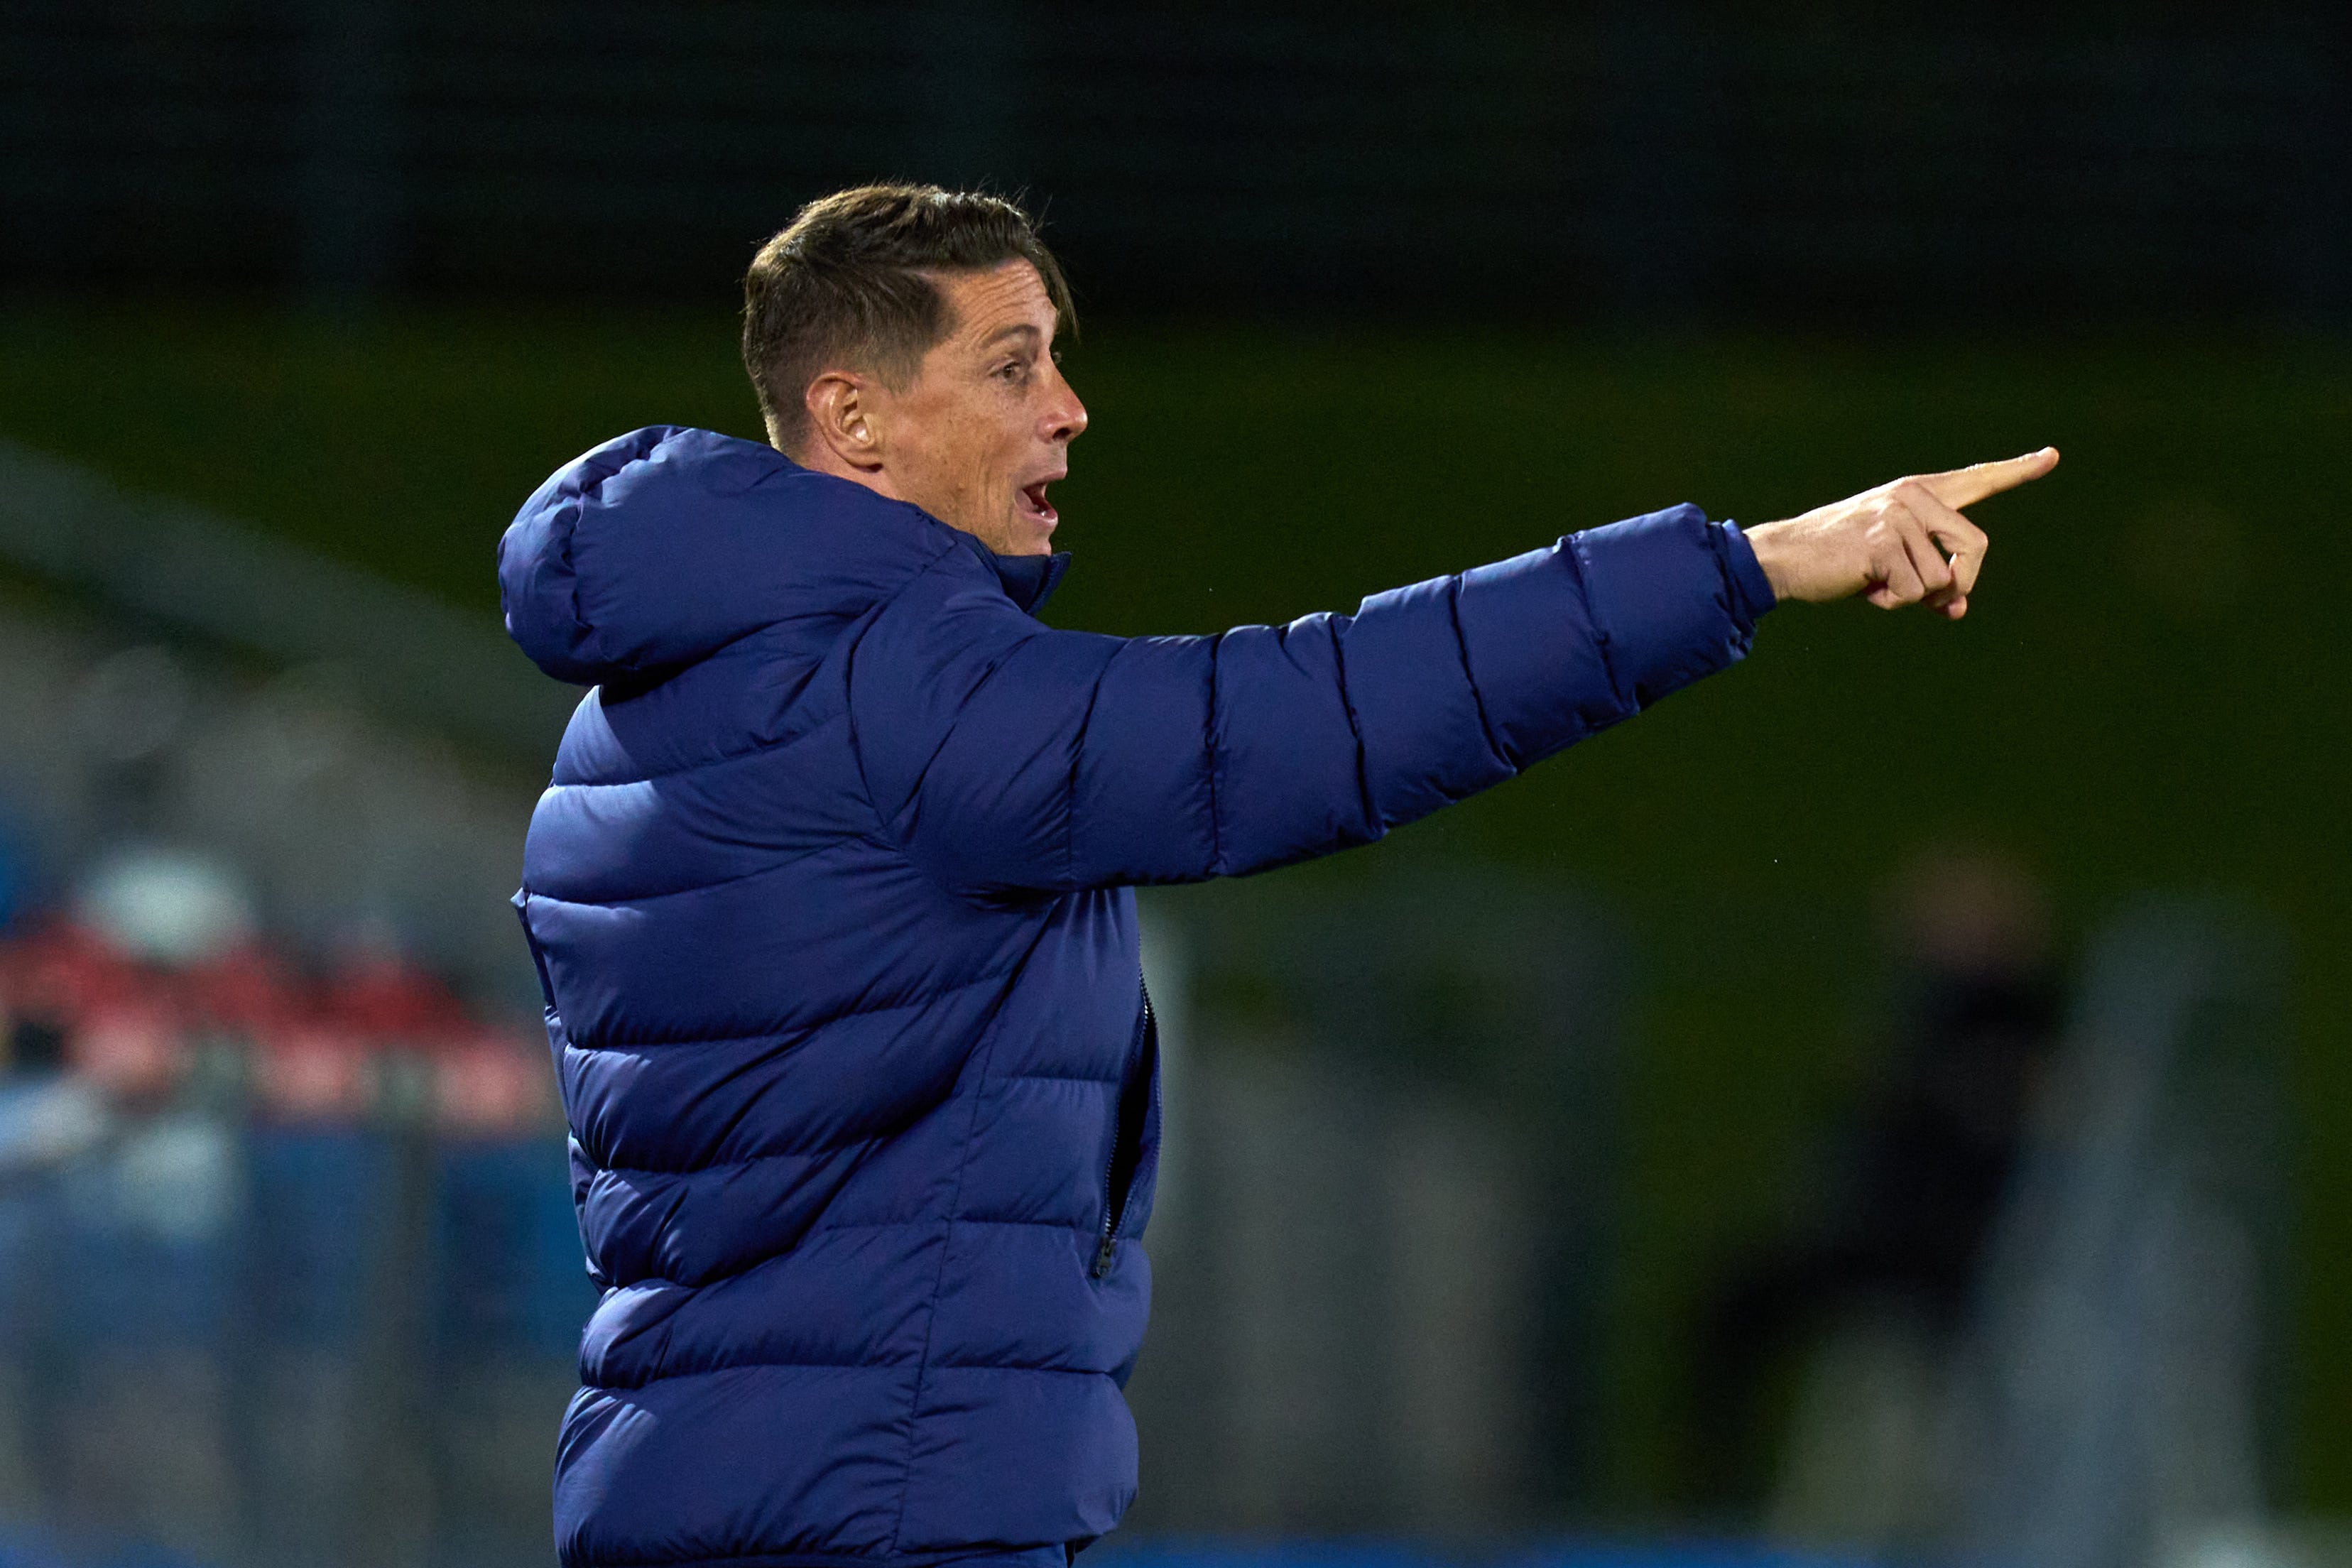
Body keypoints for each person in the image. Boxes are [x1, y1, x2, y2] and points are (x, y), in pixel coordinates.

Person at [498, 183, 2057, 1568]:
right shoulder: (895, 691)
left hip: (703, 1475)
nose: (1071, 408)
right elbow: (1303, 722)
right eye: (1012, 362)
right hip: (872, 1504)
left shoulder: (648, 701)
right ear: (856, 419)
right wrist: (1750, 562)